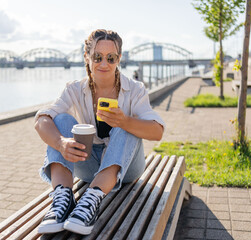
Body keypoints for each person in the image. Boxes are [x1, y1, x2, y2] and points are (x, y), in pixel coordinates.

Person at [34, 29, 165, 235]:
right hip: (87, 165)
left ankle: (91, 200)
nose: (104, 64)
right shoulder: (74, 89)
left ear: (119, 59)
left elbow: (157, 132)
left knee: (126, 127)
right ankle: (63, 198)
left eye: (110, 58)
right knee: (61, 119)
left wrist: (125, 120)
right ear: (86, 57)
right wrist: (61, 143)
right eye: (97, 57)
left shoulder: (135, 89)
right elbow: (41, 120)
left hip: (128, 167)